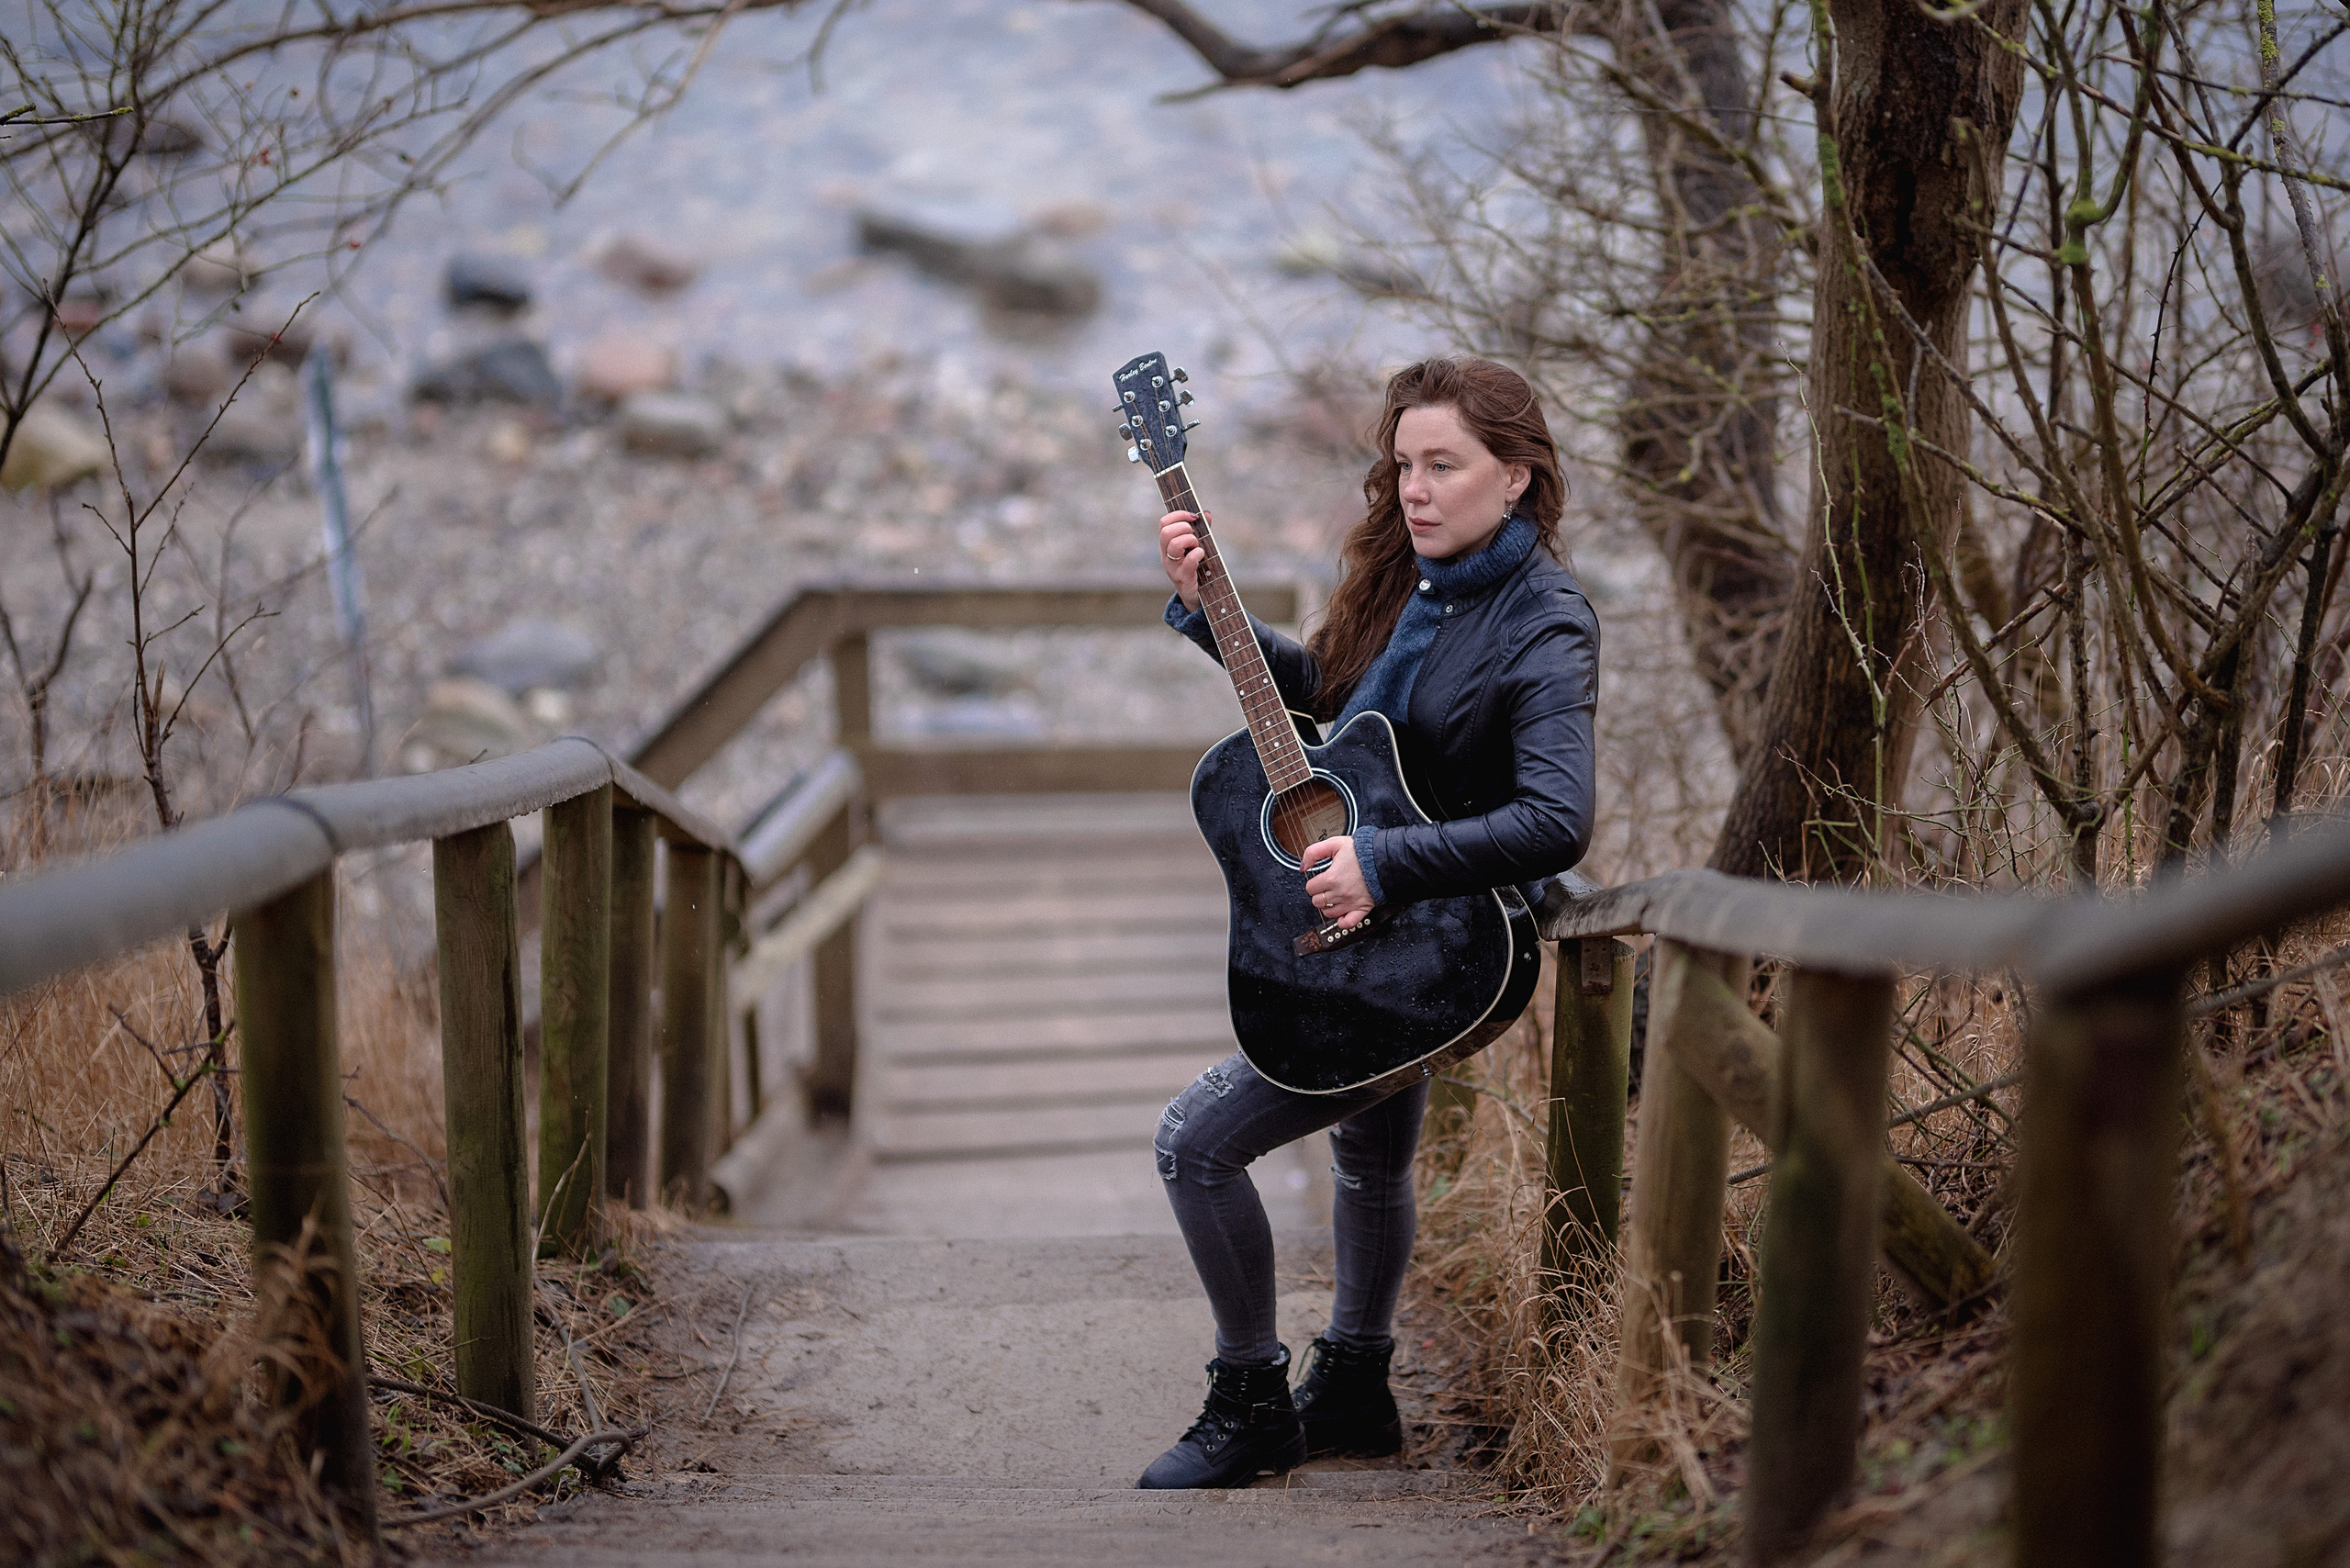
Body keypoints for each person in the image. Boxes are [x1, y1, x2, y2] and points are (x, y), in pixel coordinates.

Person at [1136, 356, 1598, 1490]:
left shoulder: (1544, 622)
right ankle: (1352, 1387)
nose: (1416, 491)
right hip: (1392, 927)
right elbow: (1341, 723)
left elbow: (1556, 818)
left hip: (1449, 952)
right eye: (1402, 467)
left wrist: (1384, 862)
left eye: (1444, 465)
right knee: (1365, 1148)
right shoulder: (1414, 581)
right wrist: (1213, 617)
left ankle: (1251, 1401)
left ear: (1519, 476)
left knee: (1195, 1145)